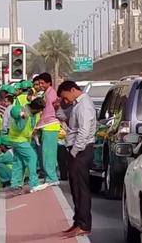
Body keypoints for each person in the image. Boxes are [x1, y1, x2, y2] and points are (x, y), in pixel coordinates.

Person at [58, 80, 96, 238]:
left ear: (72, 90)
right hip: (77, 150)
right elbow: (68, 122)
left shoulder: (84, 105)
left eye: (65, 96)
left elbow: (84, 131)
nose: (65, 100)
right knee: (75, 188)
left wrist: (74, 151)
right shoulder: (77, 105)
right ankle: (78, 221)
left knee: (81, 190)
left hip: (81, 151)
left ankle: (84, 224)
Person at [8, 98, 47, 194]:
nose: (41, 112)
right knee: (32, 158)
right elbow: (20, 127)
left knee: (19, 162)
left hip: (16, 139)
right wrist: (23, 117)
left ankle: (16, 185)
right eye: (40, 110)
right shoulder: (24, 113)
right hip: (20, 140)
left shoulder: (25, 109)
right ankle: (34, 183)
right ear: (37, 109)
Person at [36, 73, 61, 186]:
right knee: (47, 153)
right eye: (39, 83)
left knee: (48, 154)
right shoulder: (47, 93)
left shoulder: (50, 94)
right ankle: (50, 176)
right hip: (47, 126)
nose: (40, 85)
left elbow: (48, 110)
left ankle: (52, 178)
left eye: (42, 83)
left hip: (50, 126)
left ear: (48, 83)